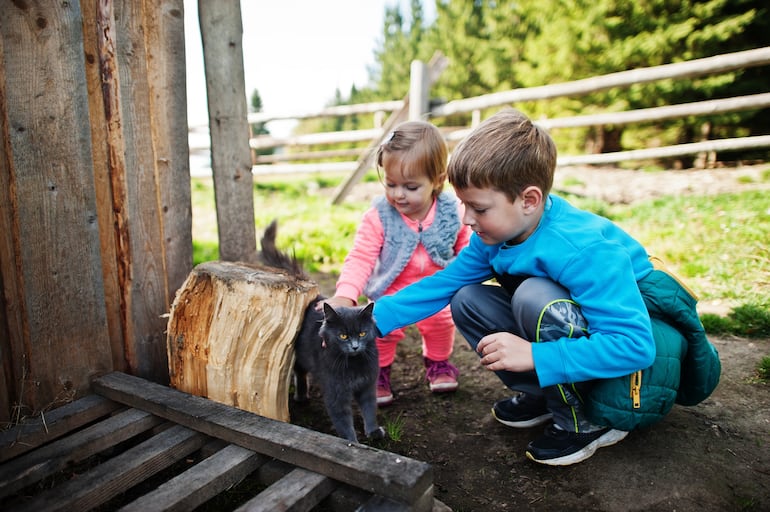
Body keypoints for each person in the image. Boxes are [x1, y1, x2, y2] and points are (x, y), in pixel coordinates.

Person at [372, 108, 718, 466]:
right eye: (463, 205)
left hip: (636, 380)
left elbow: (634, 346)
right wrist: (371, 319)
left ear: (529, 200)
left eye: (478, 208)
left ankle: (584, 421)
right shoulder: (496, 235)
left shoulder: (581, 248)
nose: (467, 219)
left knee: (535, 297)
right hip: (585, 342)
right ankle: (547, 394)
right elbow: (445, 283)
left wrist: (534, 356)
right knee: (467, 298)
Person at [321, 120, 472, 406]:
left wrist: (466, 280)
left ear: (437, 180)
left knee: (441, 323)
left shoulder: (453, 212)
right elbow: (361, 257)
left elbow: (467, 249)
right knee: (379, 329)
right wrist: (346, 293)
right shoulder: (379, 216)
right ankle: (378, 371)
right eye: (391, 184)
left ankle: (438, 363)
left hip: (437, 289)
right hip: (391, 288)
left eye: (411, 186)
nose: (398, 194)